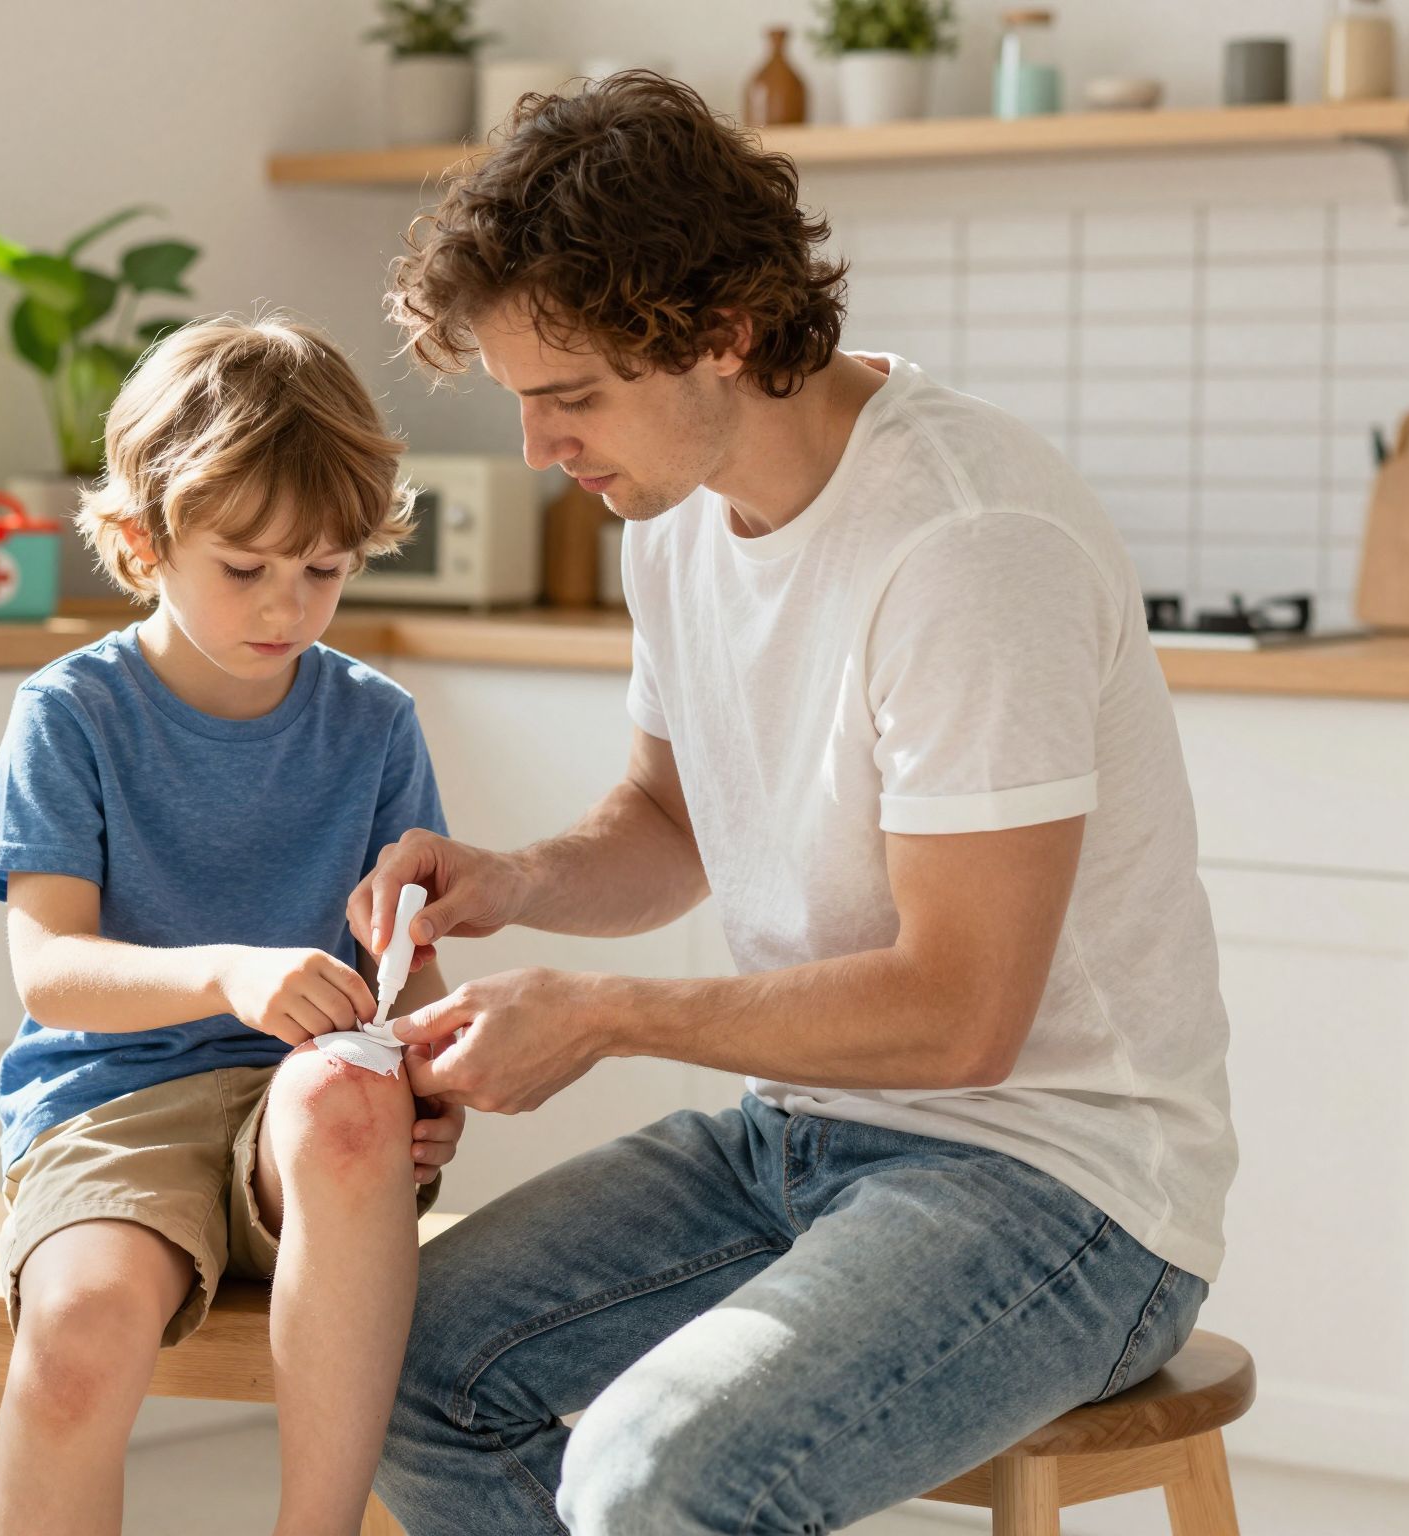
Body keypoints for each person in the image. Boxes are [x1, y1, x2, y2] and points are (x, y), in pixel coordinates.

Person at [360, 72, 1237, 1535]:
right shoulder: (675, 517)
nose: (539, 450)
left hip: (1060, 1190)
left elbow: (961, 1017)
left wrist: (609, 1013)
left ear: (723, 329)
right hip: (799, 1142)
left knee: (654, 1478)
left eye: (570, 397)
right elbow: (671, 822)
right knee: (399, 1362)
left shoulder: (966, 543)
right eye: (524, 400)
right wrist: (511, 878)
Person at [0, 314, 465, 1536]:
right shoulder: (71, 714)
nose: (288, 606)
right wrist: (231, 972)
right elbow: (53, 974)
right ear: (142, 543)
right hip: (113, 1110)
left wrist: (435, 1070)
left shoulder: (374, 723)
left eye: (325, 570)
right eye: (246, 569)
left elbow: (411, 970)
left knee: (345, 1104)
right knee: (79, 1337)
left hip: (311, 1126)